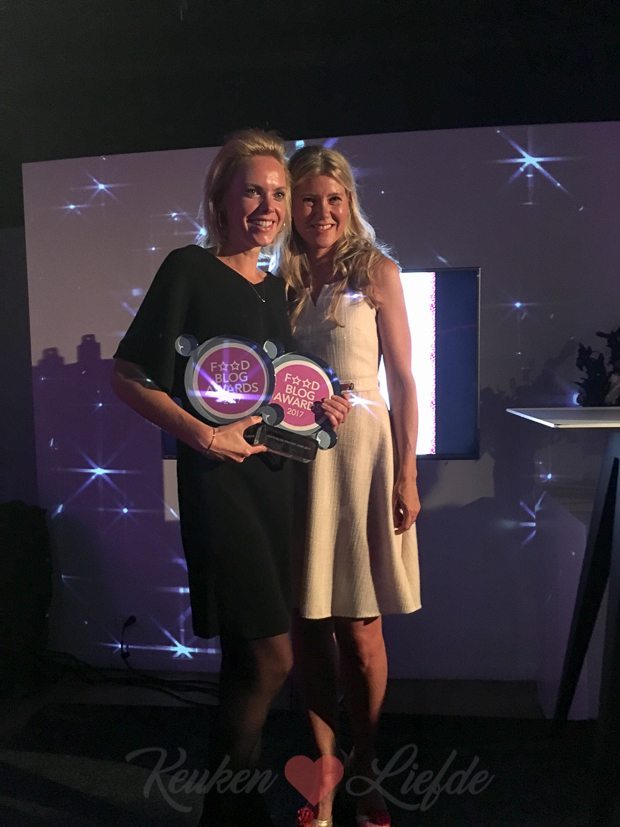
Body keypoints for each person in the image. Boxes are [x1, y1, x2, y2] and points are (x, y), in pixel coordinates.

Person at [111, 130, 349, 827]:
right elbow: (128, 375)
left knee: (247, 666)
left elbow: (275, 398)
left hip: (275, 487)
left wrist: (321, 408)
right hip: (221, 489)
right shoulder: (188, 267)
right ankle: (229, 810)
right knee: (272, 659)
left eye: (277, 193)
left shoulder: (276, 290)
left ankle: (230, 810)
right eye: (253, 191)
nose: (268, 206)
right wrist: (204, 435)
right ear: (220, 199)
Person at [281, 145, 421, 827]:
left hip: (364, 457)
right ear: (292, 206)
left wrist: (407, 471)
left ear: (349, 201)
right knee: (309, 628)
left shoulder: (377, 271)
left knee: (361, 634)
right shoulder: (278, 280)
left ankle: (366, 766)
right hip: (296, 464)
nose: (322, 212)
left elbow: (404, 379)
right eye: (308, 200)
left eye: (333, 199)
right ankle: (324, 775)